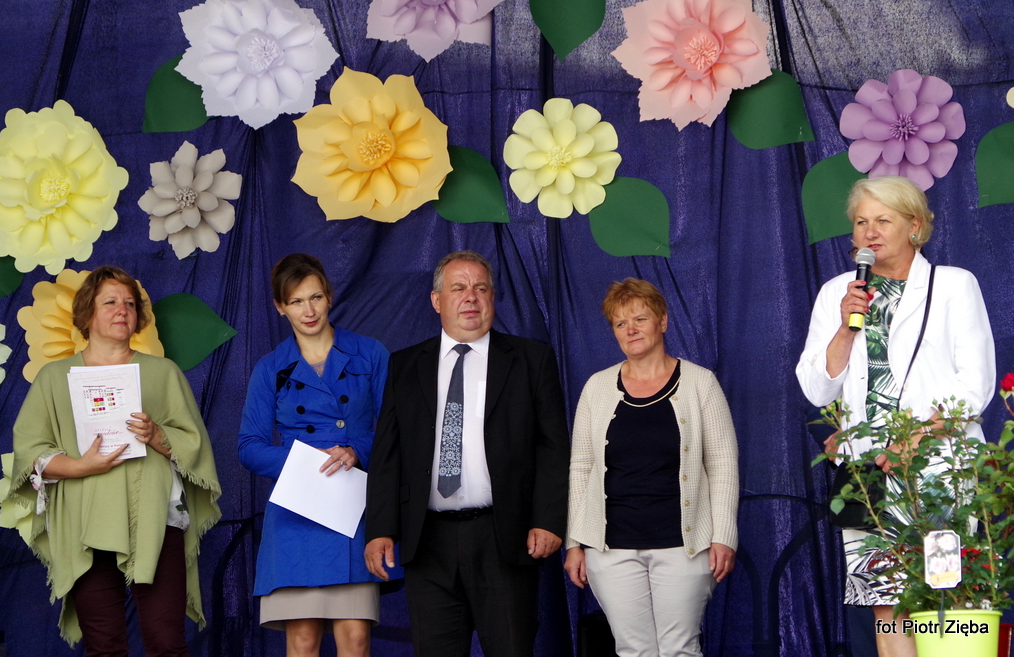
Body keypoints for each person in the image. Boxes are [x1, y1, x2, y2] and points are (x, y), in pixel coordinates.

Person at [795, 176, 995, 657]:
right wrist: (845, 328)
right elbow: (816, 388)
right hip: (869, 476)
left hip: (939, 470)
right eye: (861, 222)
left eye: (883, 220)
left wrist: (917, 438)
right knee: (886, 606)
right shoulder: (837, 293)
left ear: (915, 226)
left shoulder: (953, 285)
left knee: (946, 596)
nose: (870, 231)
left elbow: (976, 385)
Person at [4, 265, 222, 655]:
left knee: (166, 642)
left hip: (155, 519)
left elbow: (195, 447)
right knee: (103, 646)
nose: (122, 310)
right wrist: (80, 467)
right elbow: (30, 453)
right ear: (87, 313)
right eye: (110, 302)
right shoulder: (54, 378)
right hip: (86, 523)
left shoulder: (163, 373)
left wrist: (157, 435)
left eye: (130, 304)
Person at [364, 250, 569, 657]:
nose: (470, 297)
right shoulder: (405, 366)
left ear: (492, 297)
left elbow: (553, 448)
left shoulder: (532, 360)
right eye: (458, 288)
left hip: (504, 537)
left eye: (481, 288)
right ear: (436, 300)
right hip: (429, 542)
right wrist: (380, 529)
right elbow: (388, 453)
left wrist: (548, 520)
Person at [564, 278, 739, 657]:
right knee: (633, 649)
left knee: (679, 649)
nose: (630, 330)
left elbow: (723, 464)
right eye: (620, 323)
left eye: (640, 319)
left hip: (683, 546)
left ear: (663, 321)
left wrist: (723, 535)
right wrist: (575, 542)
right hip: (610, 548)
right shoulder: (596, 388)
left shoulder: (701, 383)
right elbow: (581, 468)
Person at [239, 253, 401, 657]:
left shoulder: (371, 353)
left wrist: (356, 449)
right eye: (296, 302)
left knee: (356, 639)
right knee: (303, 640)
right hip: (297, 512)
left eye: (315, 298)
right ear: (280, 307)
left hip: (353, 508)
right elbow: (249, 447)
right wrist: (304, 464)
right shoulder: (270, 368)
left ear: (329, 296)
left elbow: (396, 429)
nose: (308, 311)